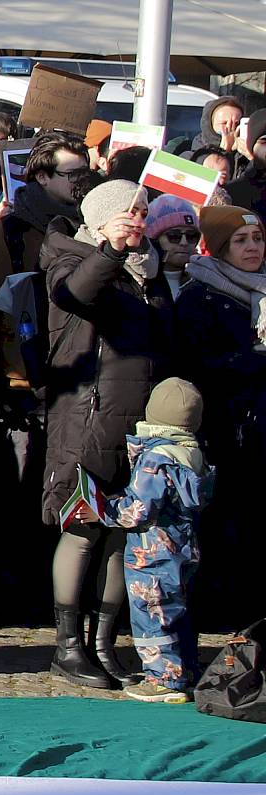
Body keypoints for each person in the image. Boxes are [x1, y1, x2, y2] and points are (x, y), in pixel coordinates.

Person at [43, 177, 176, 690]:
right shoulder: (71, 256)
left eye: (144, 212)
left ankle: (104, 643)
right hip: (89, 417)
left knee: (125, 531)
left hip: (139, 424)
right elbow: (74, 294)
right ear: (104, 217)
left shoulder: (151, 271)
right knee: (83, 528)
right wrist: (110, 249)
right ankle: (67, 647)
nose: (139, 220)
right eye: (130, 212)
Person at [176, 205, 265, 630]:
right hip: (225, 430)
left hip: (259, 425)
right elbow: (198, 363)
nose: (252, 248)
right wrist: (253, 361)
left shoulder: (263, 291)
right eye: (241, 241)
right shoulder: (200, 293)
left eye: (258, 239)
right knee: (225, 526)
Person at [109, 378, 211, 703]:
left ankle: (163, 679)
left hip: (151, 555)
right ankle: (187, 670)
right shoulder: (192, 455)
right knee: (178, 612)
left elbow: (137, 510)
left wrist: (104, 509)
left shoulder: (155, 459)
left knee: (151, 613)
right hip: (184, 550)